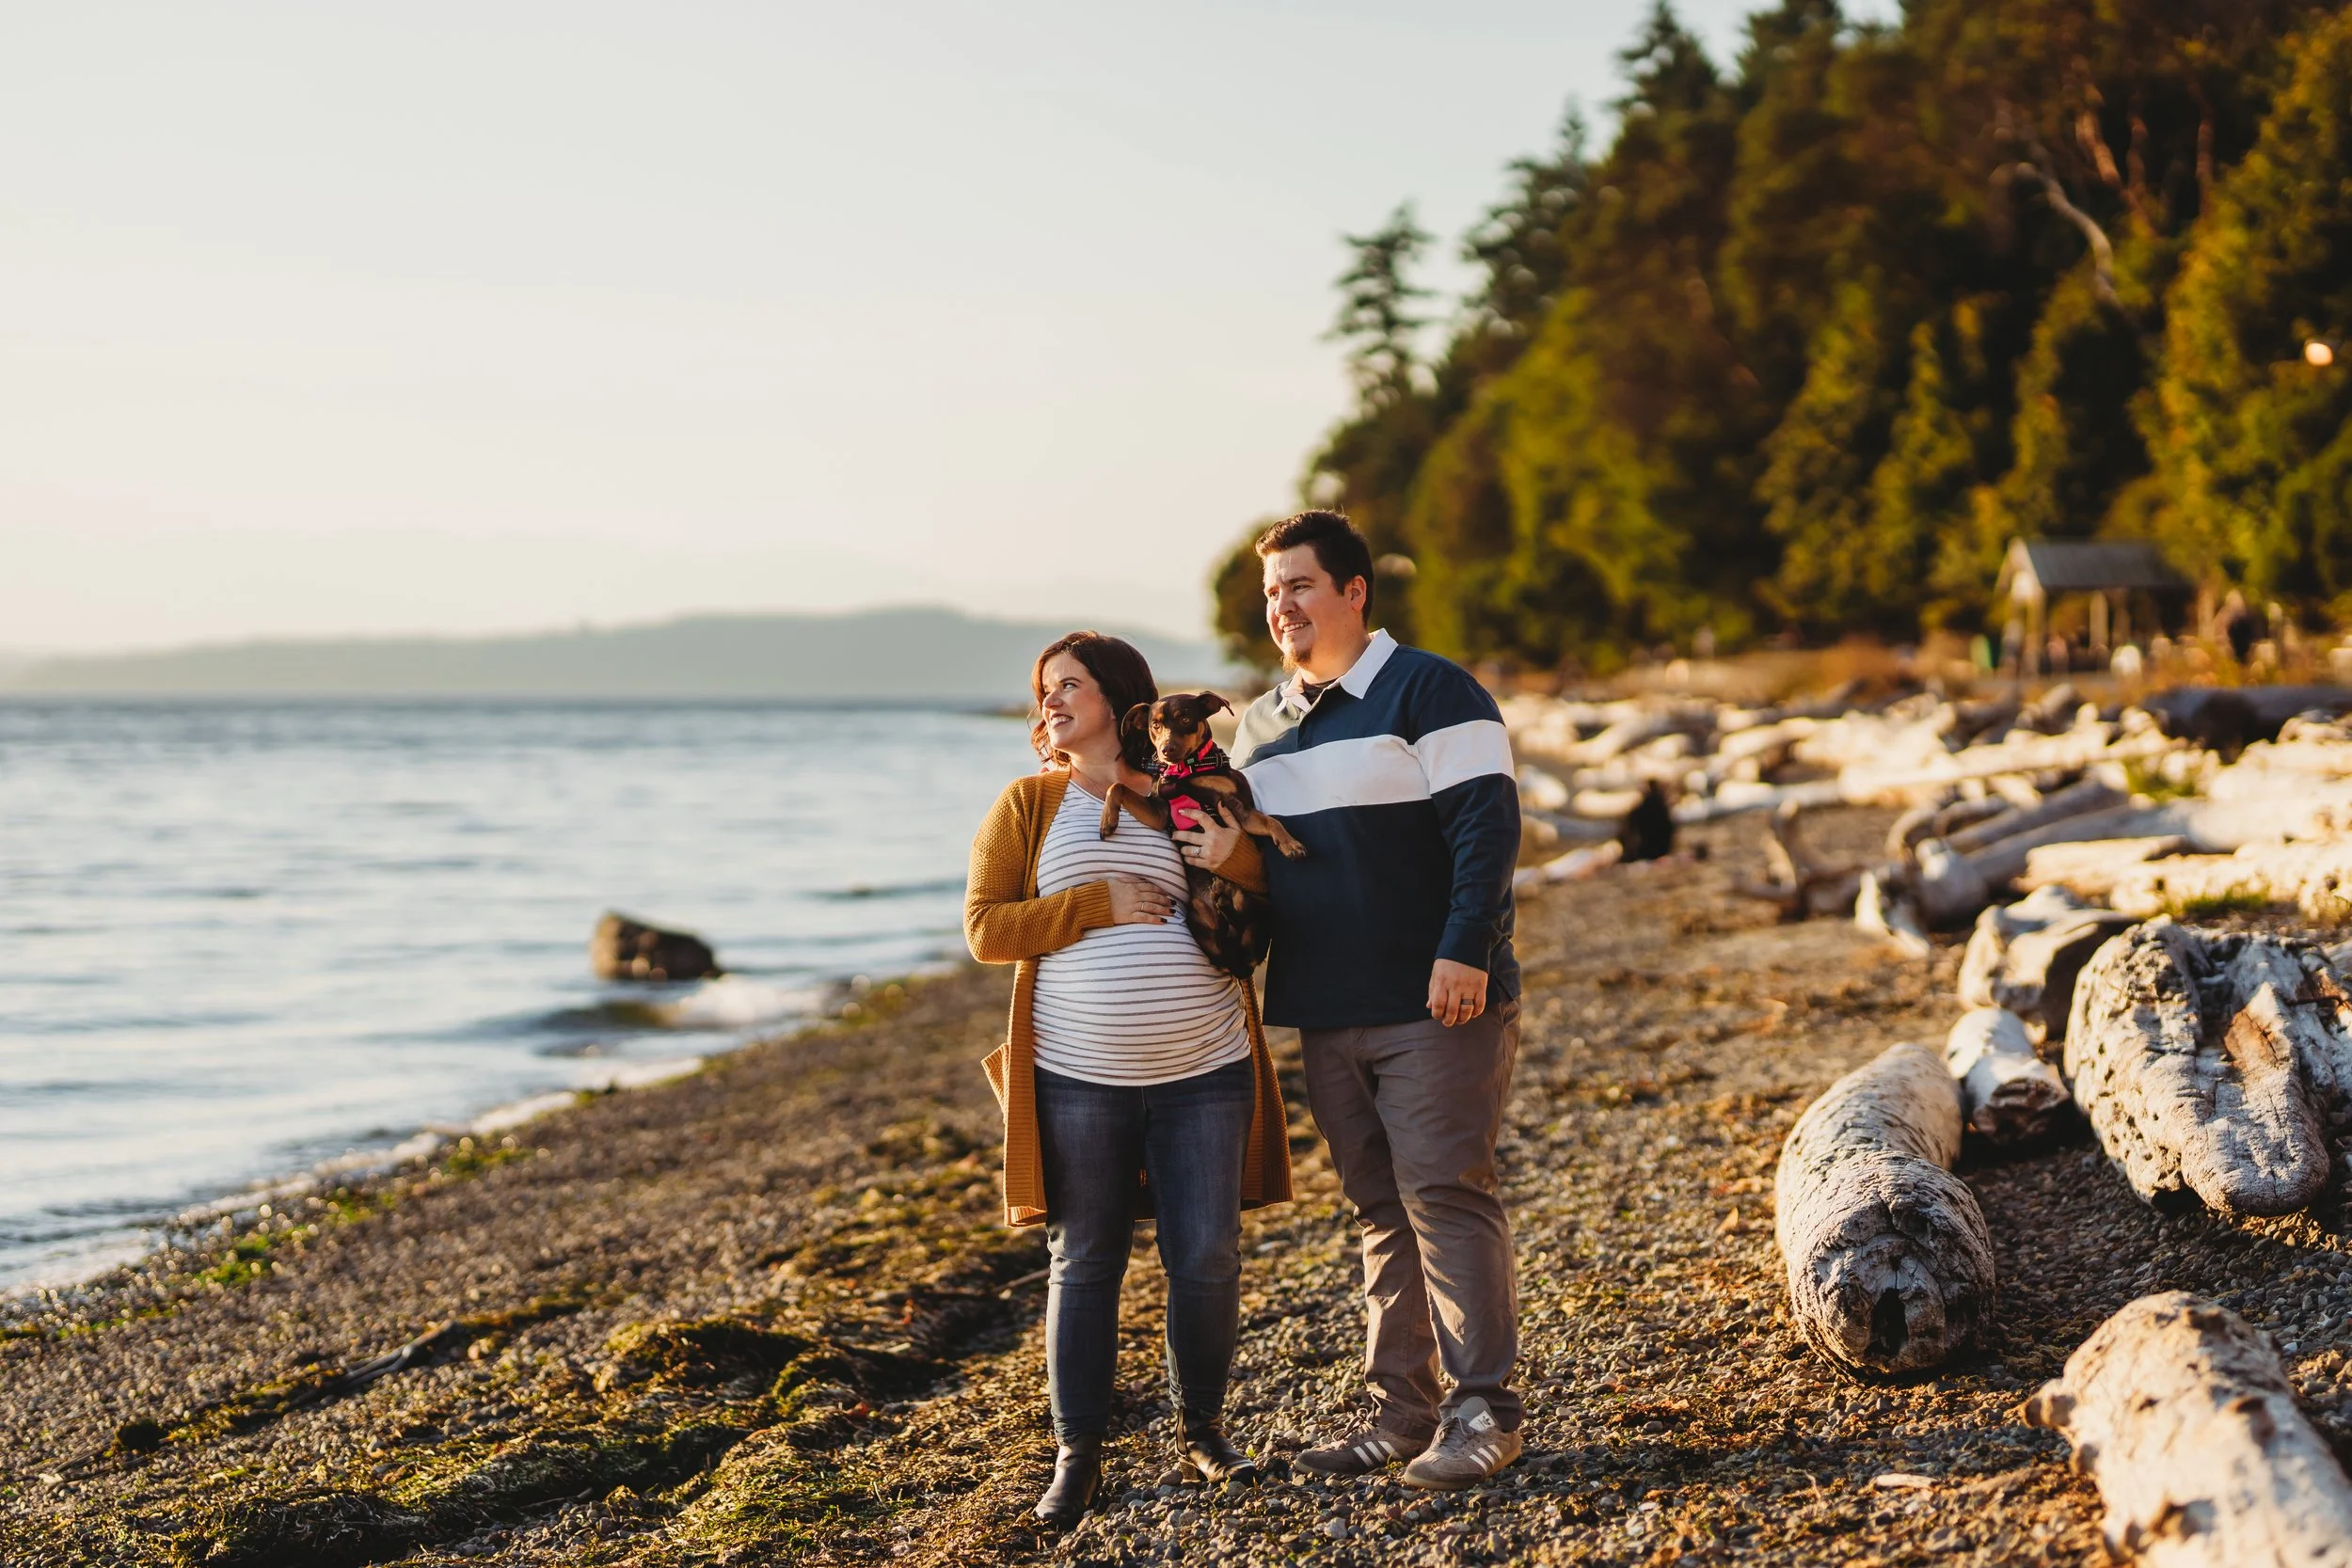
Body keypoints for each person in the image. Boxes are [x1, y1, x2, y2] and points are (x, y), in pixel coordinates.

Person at [1176, 511, 1524, 1491]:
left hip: (1435, 996)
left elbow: (1486, 833)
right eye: (1272, 591)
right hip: (1324, 1005)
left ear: (1354, 589)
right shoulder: (1259, 725)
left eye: (1300, 585)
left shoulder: (1431, 688)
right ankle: (1401, 1411)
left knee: (1445, 1193)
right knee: (1379, 1208)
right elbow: (1267, 867)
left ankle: (1485, 1410)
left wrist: (1465, 950)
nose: (1282, 605)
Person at [963, 631, 1294, 1528]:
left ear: (1121, 698)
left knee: (1208, 1257)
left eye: (1069, 684)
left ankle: (1206, 1431)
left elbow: (1262, 910)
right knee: (1084, 1262)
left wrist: (1238, 860)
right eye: (1043, 690)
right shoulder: (1028, 804)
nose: (1050, 702)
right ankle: (1076, 1458)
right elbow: (987, 931)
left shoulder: (1195, 794)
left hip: (1207, 1070)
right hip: (1078, 1077)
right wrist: (1094, 903)